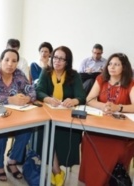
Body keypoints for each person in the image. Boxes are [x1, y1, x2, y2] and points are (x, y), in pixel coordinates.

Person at [79, 53, 134, 185]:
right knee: (88, 139)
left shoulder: (130, 83)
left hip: (121, 131)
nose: (112, 67)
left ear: (124, 67)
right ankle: (91, 180)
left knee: (116, 147)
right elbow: (89, 100)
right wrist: (105, 106)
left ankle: (111, 179)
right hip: (100, 126)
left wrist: (117, 107)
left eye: (116, 64)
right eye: (110, 63)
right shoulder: (101, 79)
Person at [0, 49, 35, 181]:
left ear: (17, 63)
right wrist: (9, 99)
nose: (10, 64)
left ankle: (12, 161)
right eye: (6, 60)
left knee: (27, 130)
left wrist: (27, 99)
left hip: (16, 115)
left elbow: (32, 90)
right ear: (0, 61)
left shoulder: (19, 74)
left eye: (14, 61)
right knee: (1, 133)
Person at [36, 46, 86, 186]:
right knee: (48, 131)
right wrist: (47, 98)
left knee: (60, 132)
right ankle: (56, 170)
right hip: (49, 114)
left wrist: (73, 101)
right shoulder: (46, 72)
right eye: (55, 57)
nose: (57, 61)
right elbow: (39, 91)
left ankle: (56, 169)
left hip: (66, 116)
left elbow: (81, 96)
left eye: (61, 59)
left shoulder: (73, 75)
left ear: (67, 62)